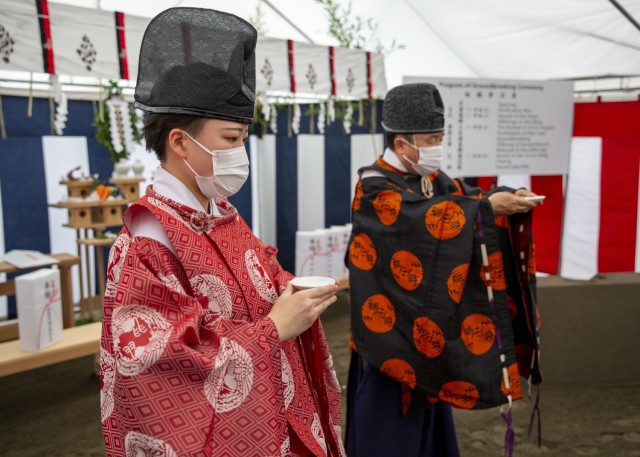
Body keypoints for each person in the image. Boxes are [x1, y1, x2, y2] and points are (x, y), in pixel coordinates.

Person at [99, 8, 344, 457]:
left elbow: (256, 277)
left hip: (273, 411)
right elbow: (157, 360)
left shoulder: (221, 211)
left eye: (243, 139)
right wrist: (272, 330)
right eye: (231, 139)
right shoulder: (144, 236)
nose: (240, 152)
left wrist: (288, 289)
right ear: (179, 142)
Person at [345, 83, 542, 456]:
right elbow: (419, 220)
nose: (438, 146)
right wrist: (485, 211)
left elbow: (465, 200)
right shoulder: (374, 186)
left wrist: (505, 199)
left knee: (428, 428)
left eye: (440, 137)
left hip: (423, 333)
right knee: (386, 437)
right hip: (386, 334)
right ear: (402, 144)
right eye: (432, 139)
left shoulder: (434, 179)